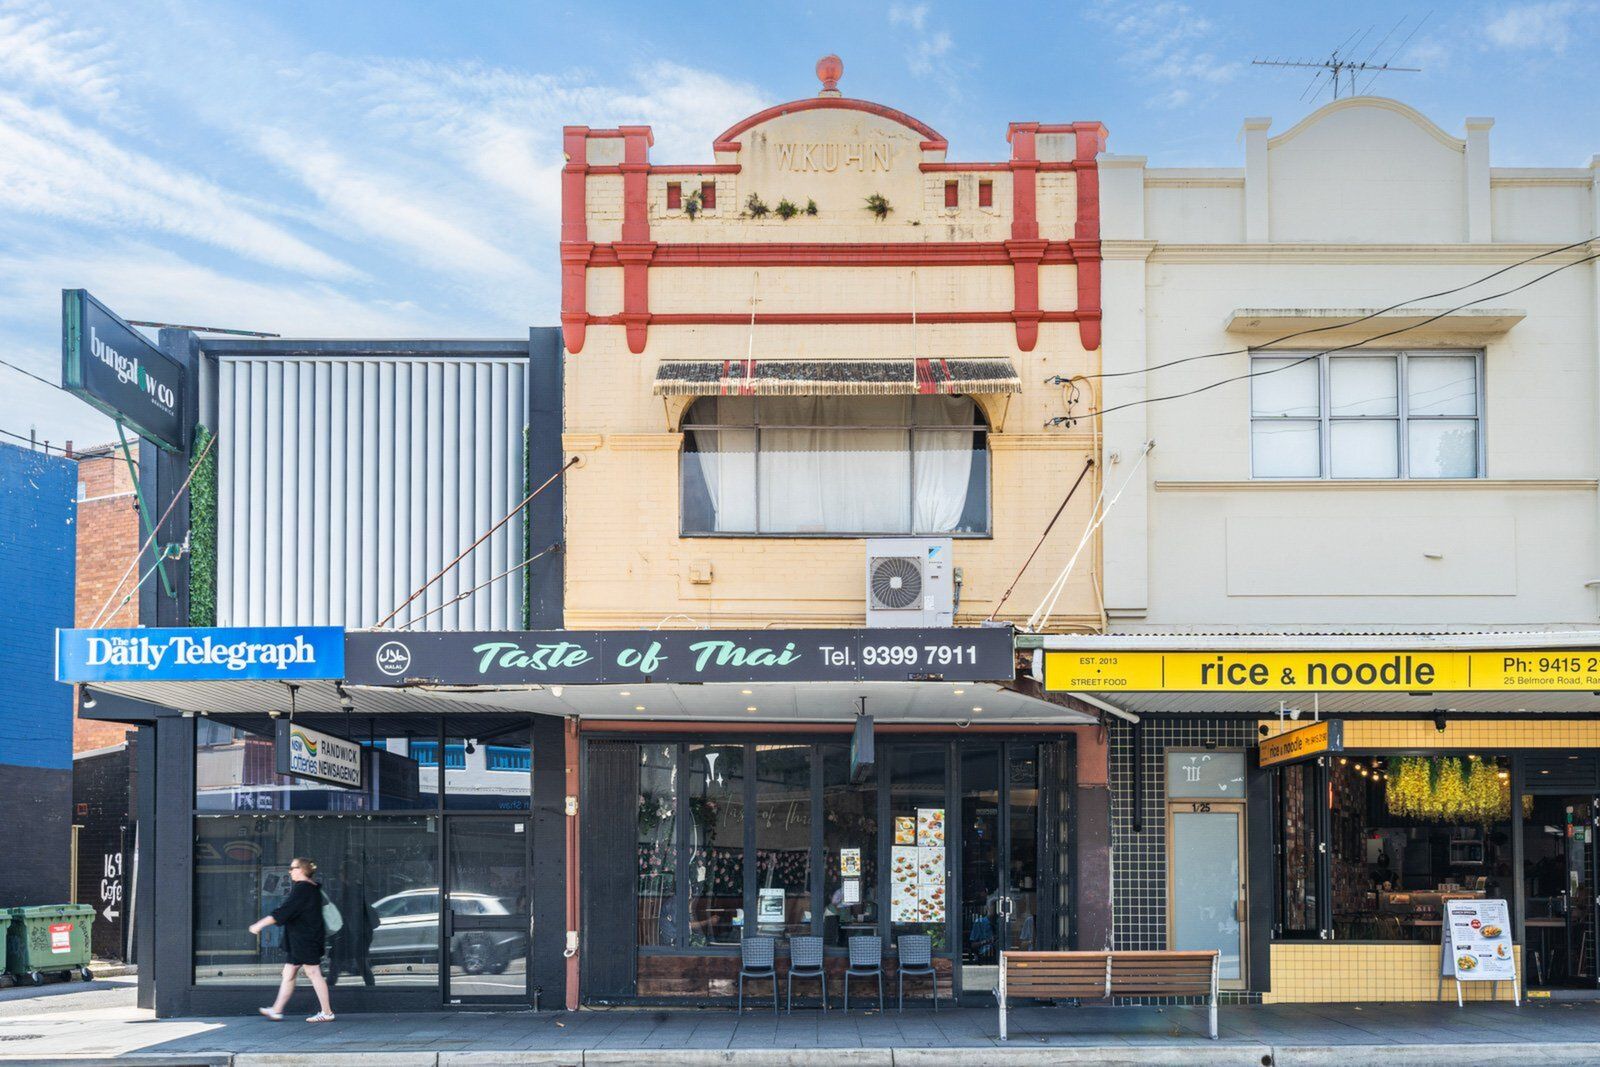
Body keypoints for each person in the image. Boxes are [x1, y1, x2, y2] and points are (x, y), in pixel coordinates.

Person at [249, 857, 335, 1022]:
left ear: (301, 870)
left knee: (313, 973)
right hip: (300, 940)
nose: (289, 871)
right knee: (288, 973)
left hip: (305, 940)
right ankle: (277, 1010)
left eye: (292, 868)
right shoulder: (311, 888)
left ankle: (327, 1012)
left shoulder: (303, 889)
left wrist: (259, 924)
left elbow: (284, 911)